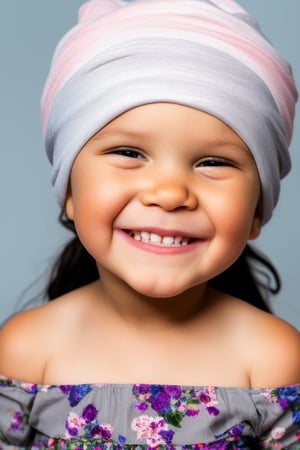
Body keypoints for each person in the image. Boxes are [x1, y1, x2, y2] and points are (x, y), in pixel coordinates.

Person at [0, 0, 299, 448]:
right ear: (69, 192)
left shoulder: (274, 359)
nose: (170, 193)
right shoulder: (27, 349)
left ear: (256, 210)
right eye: (129, 153)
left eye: (213, 162)